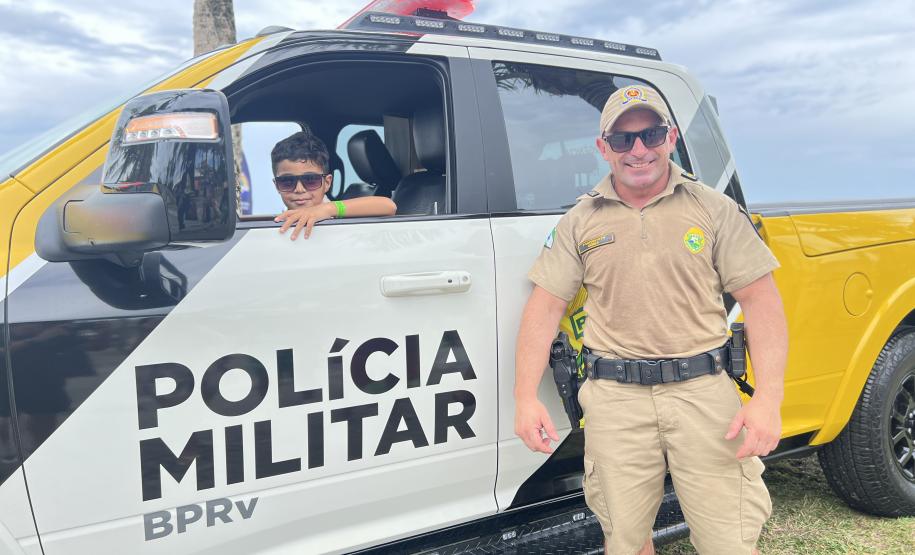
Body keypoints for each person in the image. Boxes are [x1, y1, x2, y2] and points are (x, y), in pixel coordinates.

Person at [513, 85, 787, 555]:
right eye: (622, 140)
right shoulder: (581, 221)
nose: (638, 150)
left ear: (671, 137)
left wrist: (768, 400)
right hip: (615, 400)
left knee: (730, 542)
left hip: (705, 395)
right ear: (603, 149)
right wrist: (524, 398)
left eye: (651, 134)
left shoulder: (714, 210)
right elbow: (544, 307)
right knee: (625, 540)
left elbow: (762, 303)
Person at [271, 131, 396, 239]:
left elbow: (389, 206)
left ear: (327, 183)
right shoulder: (281, 221)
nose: (299, 189)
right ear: (277, 185)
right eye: (287, 182)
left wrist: (329, 209)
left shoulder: (336, 214)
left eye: (310, 180)